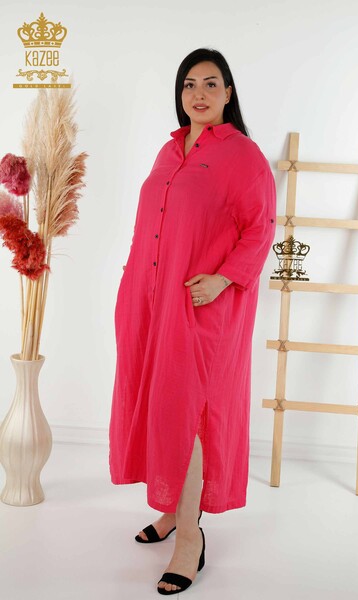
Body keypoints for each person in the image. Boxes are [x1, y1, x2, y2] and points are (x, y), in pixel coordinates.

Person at [108, 47, 277, 595]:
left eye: (210, 83)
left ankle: (190, 537)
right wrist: (132, 281)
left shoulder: (243, 155)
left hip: (202, 306)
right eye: (188, 84)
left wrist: (224, 279)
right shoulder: (169, 150)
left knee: (193, 411)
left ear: (228, 92)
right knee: (160, 403)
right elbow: (150, 225)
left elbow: (260, 228)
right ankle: (171, 510)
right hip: (148, 300)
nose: (198, 94)